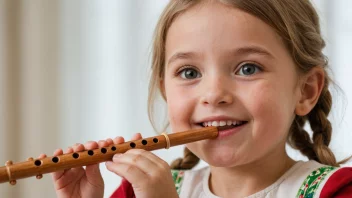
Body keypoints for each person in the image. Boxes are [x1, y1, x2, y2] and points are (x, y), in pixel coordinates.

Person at [45, 0, 352, 197]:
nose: (214, 94)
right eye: (190, 73)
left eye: (248, 68)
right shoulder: (137, 193)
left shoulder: (338, 191)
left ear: (306, 90)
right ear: (165, 89)